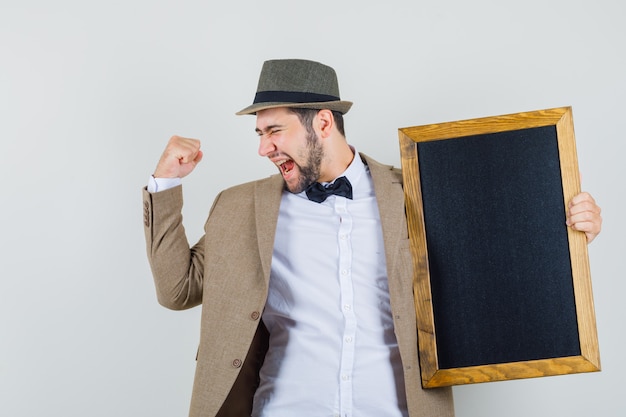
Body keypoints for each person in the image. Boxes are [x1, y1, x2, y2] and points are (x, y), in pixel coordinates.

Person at [142, 59, 602, 417]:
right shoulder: (240, 207)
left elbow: (495, 253)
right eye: (260, 134)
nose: (264, 148)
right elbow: (178, 290)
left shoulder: (421, 191)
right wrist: (165, 185)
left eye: (275, 131)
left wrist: (570, 230)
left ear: (323, 122)